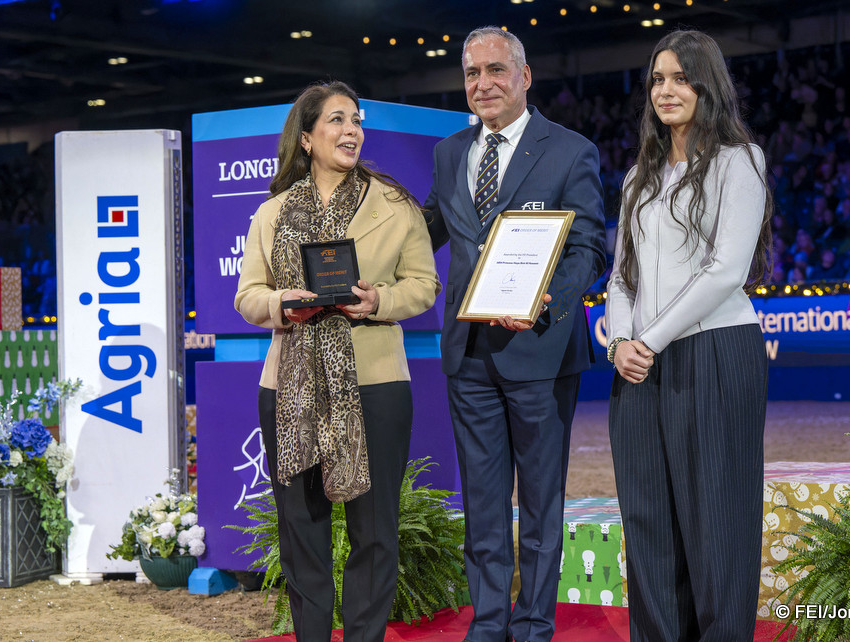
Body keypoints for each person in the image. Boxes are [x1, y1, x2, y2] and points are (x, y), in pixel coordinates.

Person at [234, 81, 441, 642]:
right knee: (302, 529)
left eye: (356, 120)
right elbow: (248, 293)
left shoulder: (395, 206)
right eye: (336, 120)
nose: (351, 130)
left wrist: (379, 301)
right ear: (307, 138)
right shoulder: (272, 213)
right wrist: (282, 304)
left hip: (374, 384)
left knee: (374, 531)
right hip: (290, 386)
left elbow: (424, 284)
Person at [422, 26, 605, 642]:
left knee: (541, 505)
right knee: (482, 503)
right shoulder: (450, 153)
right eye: (472, 74)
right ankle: (488, 622)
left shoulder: (570, 150)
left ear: (525, 77)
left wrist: (552, 299)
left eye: (495, 71)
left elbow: (588, 247)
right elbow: (428, 231)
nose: (483, 85)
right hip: (468, 354)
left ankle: (533, 626)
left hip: (542, 348)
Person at [605, 30, 772, 641]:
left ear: (708, 85)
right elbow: (620, 275)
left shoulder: (739, 162)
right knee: (648, 519)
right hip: (638, 365)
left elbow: (726, 270)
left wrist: (648, 338)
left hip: (714, 353)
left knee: (716, 520)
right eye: (657, 80)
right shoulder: (637, 178)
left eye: (680, 78)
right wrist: (621, 341)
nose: (666, 91)